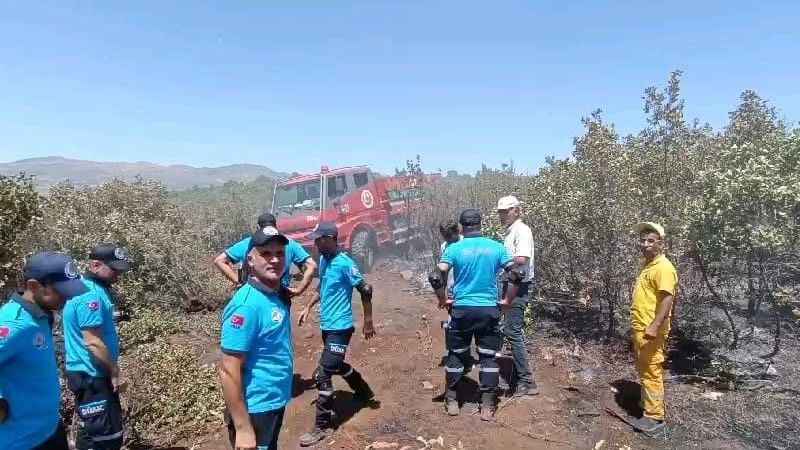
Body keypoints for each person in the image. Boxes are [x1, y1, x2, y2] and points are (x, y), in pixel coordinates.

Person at [433, 209, 521, 421]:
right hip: (488, 310)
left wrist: (442, 299)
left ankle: (452, 400)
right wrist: (507, 301)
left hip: (462, 310)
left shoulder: (454, 248)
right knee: (488, 357)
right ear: (480, 224)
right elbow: (518, 273)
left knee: (455, 354)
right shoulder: (496, 248)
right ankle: (487, 405)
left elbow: (436, 276)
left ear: (462, 227)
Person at [297, 222, 376, 447]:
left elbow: (366, 289)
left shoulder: (344, 263)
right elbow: (323, 286)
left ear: (331, 238)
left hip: (341, 328)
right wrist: (308, 306)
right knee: (336, 364)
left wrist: (368, 322)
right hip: (327, 326)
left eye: (319, 239)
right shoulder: (324, 260)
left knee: (323, 373)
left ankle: (321, 427)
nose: (315, 243)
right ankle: (363, 390)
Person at [0, 251, 88, 450]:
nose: (67, 297)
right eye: (61, 291)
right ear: (33, 286)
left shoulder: (41, 315)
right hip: (21, 441)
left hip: (49, 430)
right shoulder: (13, 324)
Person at [219, 226, 294, 450]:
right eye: (266, 254)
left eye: (280, 253)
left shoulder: (272, 293)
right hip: (256, 407)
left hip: (273, 399)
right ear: (250, 260)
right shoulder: (246, 306)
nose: (274, 260)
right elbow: (228, 368)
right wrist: (242, 428)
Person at [62, 244, 132, 450]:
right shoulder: (90, 294)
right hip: (92, 375)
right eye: (114, 269)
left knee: (100, 432)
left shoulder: (95, 290)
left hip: (92, 373)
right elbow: (92, 341)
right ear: (95, 265)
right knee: (102, 437)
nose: (118, 274)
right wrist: (114, 371)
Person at [630, 222, 678, 435]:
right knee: (644, 368)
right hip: (641, 327)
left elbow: (667, 299)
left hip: (651, 329)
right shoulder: (649, 265)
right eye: (643, 241)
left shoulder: (664, 267)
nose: (646, 245)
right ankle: (646, 404)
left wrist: (655, 325)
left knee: (651, 370)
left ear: (661, 243)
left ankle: (654, 417)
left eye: (651, 241)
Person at [214, 212, 317, 296]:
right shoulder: (288, 243)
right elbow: (311, 265)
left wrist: (238, 281)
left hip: (253, 293)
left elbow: (219, 260)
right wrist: (299, 290)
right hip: (280, 295)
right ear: (275, 226)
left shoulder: (248, 242)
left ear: (258, 227)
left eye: (279, 253)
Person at [496, 195, 538, 397]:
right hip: (511, 284)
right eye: (500, 212)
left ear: (516, 210)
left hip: (518, 287)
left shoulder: (522, 230)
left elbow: (521, 259)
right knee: (509, 329)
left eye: (506, 211)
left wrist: (498, 257)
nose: (502, 215)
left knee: (513, 331)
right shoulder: (512, 231)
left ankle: (526, 381)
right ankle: (518, 374)